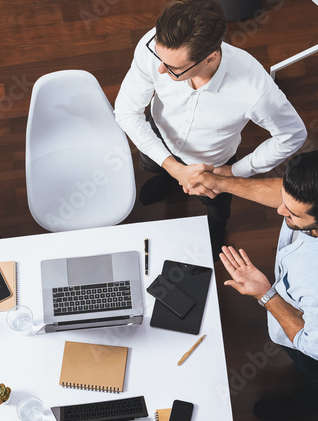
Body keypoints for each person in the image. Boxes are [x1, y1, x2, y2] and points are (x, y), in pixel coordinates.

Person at [188, 148, 318, 421]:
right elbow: (285, 195)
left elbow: (316, 346)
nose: (280, 211)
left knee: (317, 371)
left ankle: (312, 407)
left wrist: (265, 294)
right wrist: (219, 183)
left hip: (314, 334)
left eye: (292, 214)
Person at [114, 0, 307, 250]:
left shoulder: (255, 90)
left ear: (210, 58)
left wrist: (236, 171)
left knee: (216, 208)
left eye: (173, 68)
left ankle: (216, 231)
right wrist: (174, 169)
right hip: (157, 138)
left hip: (213, 163)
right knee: (157, 170)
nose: (160, 69)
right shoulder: (155, 46)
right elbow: (126, 111)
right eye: (159, 58)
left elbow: (292, 135)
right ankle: (168, 179)